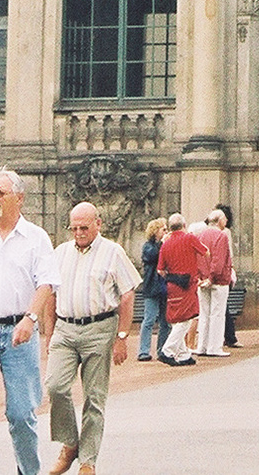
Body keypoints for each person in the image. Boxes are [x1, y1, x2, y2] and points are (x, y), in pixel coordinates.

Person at [44, 200, 140, 475]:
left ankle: (88, 460)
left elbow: (127, 294)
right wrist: (49, 334)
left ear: (98, 224)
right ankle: (70, 442)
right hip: (65, 327)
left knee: (94, 397)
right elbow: (50, 293)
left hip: (100, 328)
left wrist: (122, 336)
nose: (79, 233)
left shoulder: (113, 252)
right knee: (55, 386)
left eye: (84, 227)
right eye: (74, 228)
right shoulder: (60, 253)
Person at [0, 168, 55, 475]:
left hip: (20, 334)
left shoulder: (36, 239)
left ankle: (29, 472)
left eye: (0, 192)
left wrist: (30, 318)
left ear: (19, 198)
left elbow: (47, 283)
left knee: (22, 415)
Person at [158, 213, 209, 364]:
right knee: (186, 319)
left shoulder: (166, 244)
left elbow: (160, 270)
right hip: (187, 284)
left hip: (172, 284)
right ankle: (168, 350)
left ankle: (183, 354)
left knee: (176, 319)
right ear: (184, 225)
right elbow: (206, 252)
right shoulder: (189, 238)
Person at [195, 208, 233, 356]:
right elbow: (218, 260)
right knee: (217, 314)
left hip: (202, 279)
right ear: (218, 221)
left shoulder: (201, 235)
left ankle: (202, 346)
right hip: (218, 281)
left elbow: (198, 257)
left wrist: (200, 277)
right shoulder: (221, 236)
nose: (226, 221)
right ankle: (214, 347)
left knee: (204, 315)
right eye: (224, 219)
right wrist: (212, 278)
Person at [137, 218, 168, 361]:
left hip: (165, 286)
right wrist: (162, 244)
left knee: (165, 320)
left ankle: (162, 349)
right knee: (149, 319)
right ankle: (143, 350)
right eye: (163, 229)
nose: (166, 232)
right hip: (152, 286)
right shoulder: (148, 246)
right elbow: (152, 256)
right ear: (155, 231)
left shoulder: (165, 245)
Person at [215, 202, 239, 346]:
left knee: (222, 308)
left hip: (223, 272)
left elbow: (227, 254)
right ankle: (229, 336)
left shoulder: (224, 232)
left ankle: (229, 336)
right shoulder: (225, 232)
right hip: (225, 271)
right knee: (223, 307)